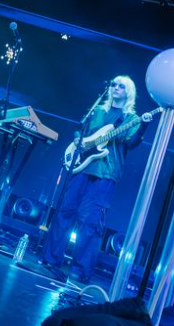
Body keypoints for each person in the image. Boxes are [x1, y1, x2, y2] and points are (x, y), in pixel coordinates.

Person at [40, 76, 153, 283]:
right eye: (114, 85)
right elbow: (80, 129)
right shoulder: (98, 111)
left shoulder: (130, 118)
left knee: (90, 221)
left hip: (106, 172)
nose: (116, 88)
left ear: (128, 92)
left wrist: (144, 126)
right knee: (65, 211)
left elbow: (131, 144)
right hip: (81, 167)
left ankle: (81, 270)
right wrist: (78, 139)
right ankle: (51, 259)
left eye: (121, 86)